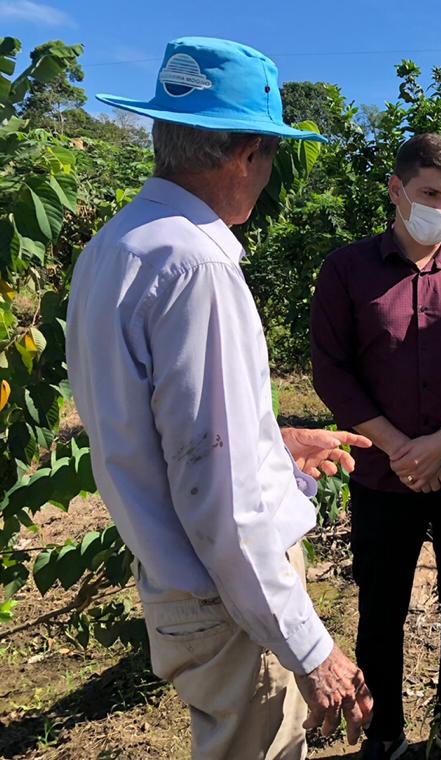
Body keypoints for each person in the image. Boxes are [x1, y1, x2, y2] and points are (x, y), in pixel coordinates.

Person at [66, 37, 374, 759]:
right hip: (228, 601)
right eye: (269, 159)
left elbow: (163, 428)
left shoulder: (116, 246)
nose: (266, 178)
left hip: (178, 586)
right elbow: (224, 501)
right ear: (245, 156)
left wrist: (273, 440)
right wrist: (314, 650)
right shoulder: (196, 266)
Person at [310, 133, 441, 759]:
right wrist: (403, 448)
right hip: (382, 474)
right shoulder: (347, 271)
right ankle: (387, 736)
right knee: (382, 608)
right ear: (397, 191)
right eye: (431, 194)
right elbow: (332, 372)